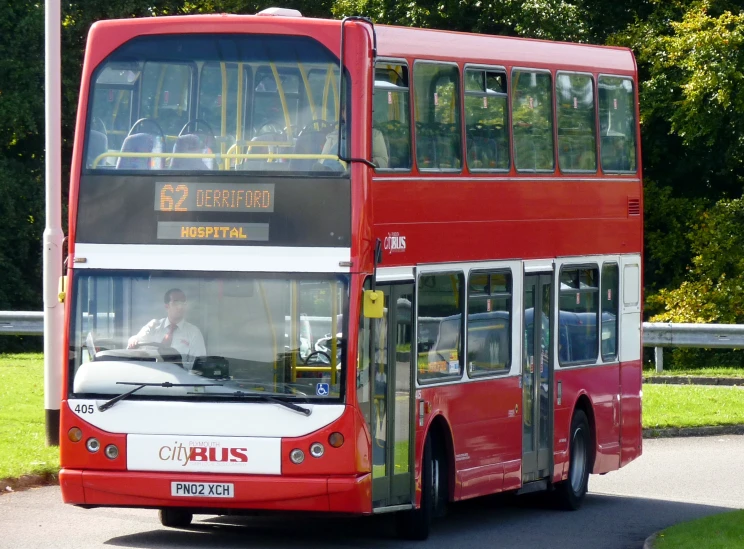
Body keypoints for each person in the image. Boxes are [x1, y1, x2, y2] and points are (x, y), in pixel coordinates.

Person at [127, 288, 206, 368]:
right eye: (176, 303)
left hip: (181, 378)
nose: (180, 307)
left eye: (183, 303)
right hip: (151, 377)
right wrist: (133, 341)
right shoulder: (154, 326)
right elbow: (135, 343)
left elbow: (199, 365)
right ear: (166, 306)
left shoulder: (194, 333)